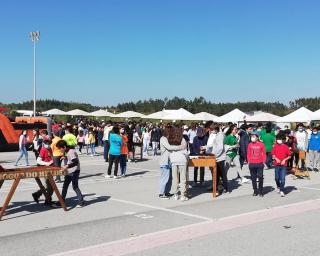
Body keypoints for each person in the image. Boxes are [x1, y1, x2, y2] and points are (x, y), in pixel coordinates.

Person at [54, 140, 84, 208]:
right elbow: (71, 159)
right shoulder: (68, 151)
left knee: (75, 186)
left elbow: (75, 162)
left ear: (64, 147)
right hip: (70, 171)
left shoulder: (71, 152)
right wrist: (65, 157)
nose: (60, 150)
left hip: (74, 171)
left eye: (60, 148)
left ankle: (81, 202)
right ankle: (61, 201)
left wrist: (67, 166)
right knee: (65, 186)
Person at [159, 125, 186, 199]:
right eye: (171, 131)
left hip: (170, 161)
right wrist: (180, 147)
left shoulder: (167, 138)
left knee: (170, 178)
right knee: (164, 178)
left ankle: (167, 192)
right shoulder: (163, 138)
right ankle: (161, 193)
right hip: (164, 161)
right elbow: (169, 147)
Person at [202, 122, 228, 195]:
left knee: (222, 174)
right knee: (217, 174)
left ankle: (226, 188)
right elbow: (213, 145)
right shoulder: (217, 135)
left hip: (219, 158)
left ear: (215, 129)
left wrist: (215, 155)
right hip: (217, 157)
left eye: (212, 129)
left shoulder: (220, 136)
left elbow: (220, 147)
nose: (211, 131)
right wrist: (205, 147)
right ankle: (217, 187)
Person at [32, 136, 54, 205]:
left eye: (49, 142)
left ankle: (37, 194)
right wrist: (47, 163)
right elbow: (38, 161)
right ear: (44, 142)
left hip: (51, 169)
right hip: (46, 169)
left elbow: (50, 158)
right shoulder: (43, 149)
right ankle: (48, 200)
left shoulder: (50, 148)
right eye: (46, 142)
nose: (48, 143)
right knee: (51, 187)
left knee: (47, 185)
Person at [169, 126, 189, 201]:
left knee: (175, 178)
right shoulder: (183, 139)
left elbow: (170, 150)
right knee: (183, 178)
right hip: (182, 159)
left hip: (173, 159)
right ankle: (183, 195)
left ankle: (175, 194)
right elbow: (185, 150)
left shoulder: (170, 140)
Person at [271, 132, 292, 197]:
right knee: (277, 178)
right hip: (276, 164)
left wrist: (284, 160)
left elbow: (289, 155)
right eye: (278, 139)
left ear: (283, 140)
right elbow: (273, 154)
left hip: (283, 165)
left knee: (282, 179)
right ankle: (278, 186)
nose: (278, 140)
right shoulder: (275, 146)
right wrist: (276, 159)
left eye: (280, 139)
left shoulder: (286, 147)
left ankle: (282, 190)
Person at [247, 132, 266, 197]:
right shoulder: (249, 144)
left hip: (259, 163)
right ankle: (255, 190)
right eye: (252, 137)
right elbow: (248, 153)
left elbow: (264, 153)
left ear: (257, 138)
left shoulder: (261, 144)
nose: (252, 138)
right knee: (253, 178)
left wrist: (263, 161)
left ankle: (261, 191)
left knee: (260, 177)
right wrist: (249, 161)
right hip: (252, 164)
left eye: (254, 137)